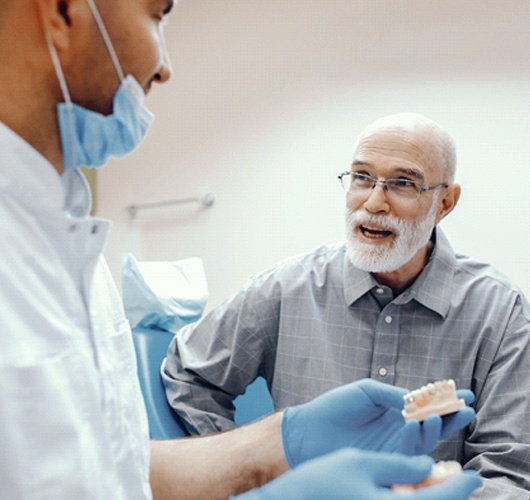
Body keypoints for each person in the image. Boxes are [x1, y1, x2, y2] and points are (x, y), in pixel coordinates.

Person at [0, 0, 482, 499]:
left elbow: (111, 472)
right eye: (157, 14)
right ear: (62, 10)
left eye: (403, 183)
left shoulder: (70, 242)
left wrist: (278, 443)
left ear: (445, 202)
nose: (164, 66)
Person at [162, 112, 530, 498]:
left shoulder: (501, 313)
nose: (373, 203)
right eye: (361, 178)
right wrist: (250, 477)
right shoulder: (287, 288)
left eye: (402, 183)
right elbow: (187, 377)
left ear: (445, 203)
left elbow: (510, 474)